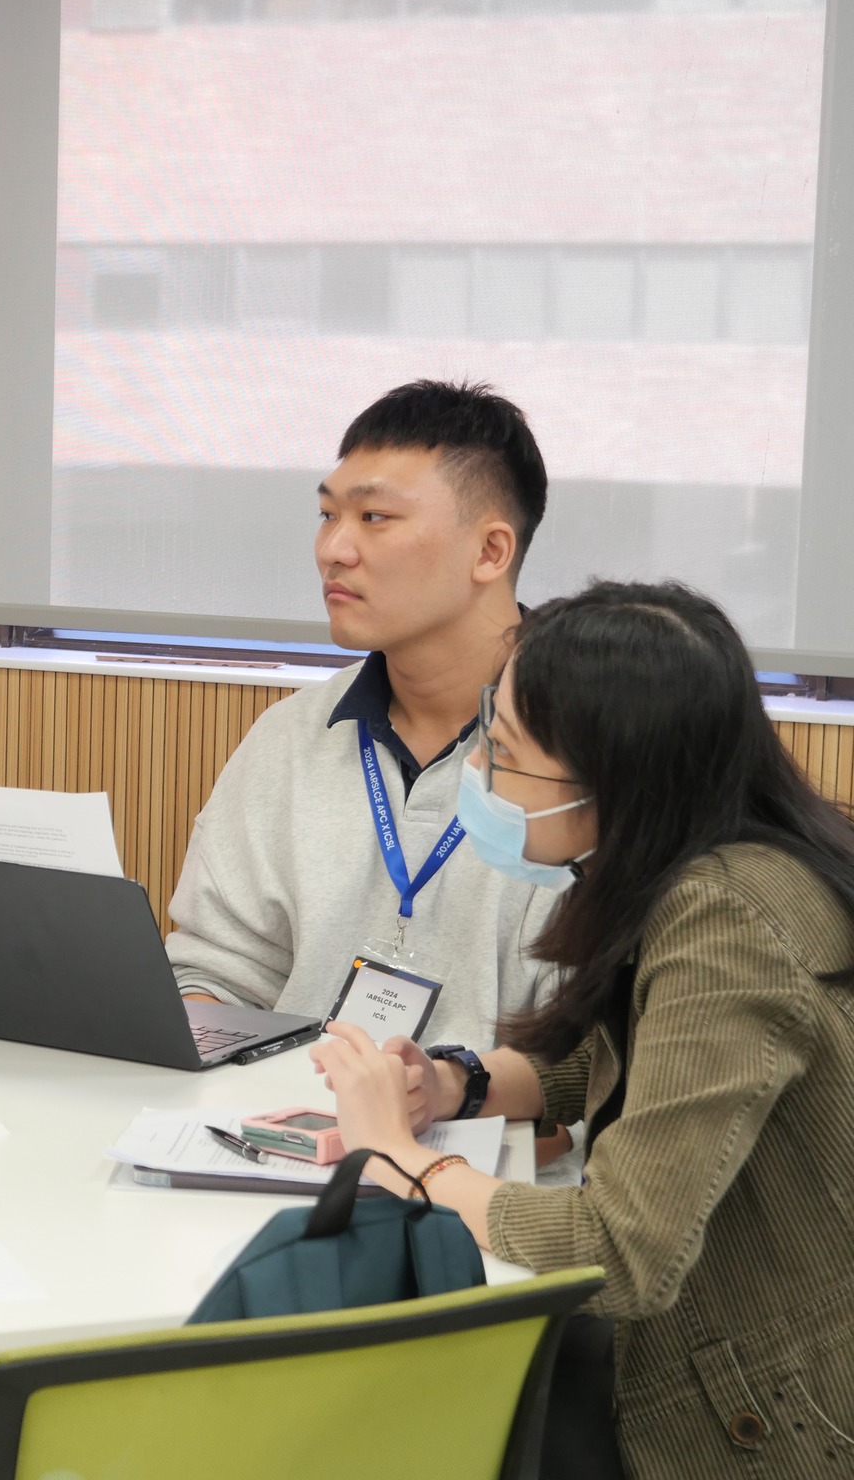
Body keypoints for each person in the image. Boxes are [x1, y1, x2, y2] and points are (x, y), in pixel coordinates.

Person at [317, 581, 854, 1478]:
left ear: (618, 777)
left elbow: (619, 1251)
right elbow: (621, 1061)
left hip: (755, 1412)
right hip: (711, 1352)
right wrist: (456, 1082)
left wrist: (399, 1160)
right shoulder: (711, 860)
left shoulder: (729, 920)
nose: (481, 768)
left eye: (507, 749)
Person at [167, 379, 558, 1049]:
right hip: (282, 1123)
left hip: (500, 1143)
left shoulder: (587, 749)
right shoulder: (293, 735)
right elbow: (216, 970)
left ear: (491, 552)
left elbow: (597, 1061)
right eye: (328, 516)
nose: (333, 550)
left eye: (374, 518)